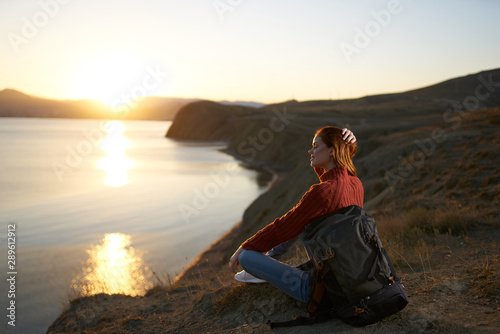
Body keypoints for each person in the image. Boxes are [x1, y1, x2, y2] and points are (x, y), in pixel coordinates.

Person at [229, 126, 363, 303]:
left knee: (247, 257)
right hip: (351, 275)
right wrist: (350, 145)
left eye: (315, 146)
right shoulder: (355, 183)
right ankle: (266, 264)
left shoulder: (323, 192)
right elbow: (338, 172)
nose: (310, 150)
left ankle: (262, 270)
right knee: (304, 220)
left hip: (323, 290)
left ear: (332, 151)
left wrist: (244, 246)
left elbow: (282, 227)